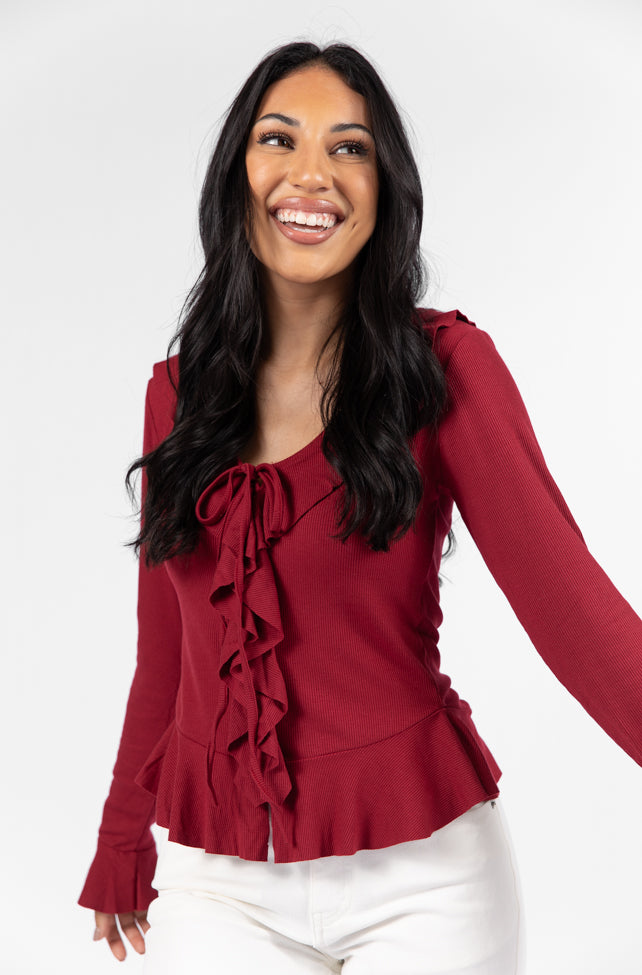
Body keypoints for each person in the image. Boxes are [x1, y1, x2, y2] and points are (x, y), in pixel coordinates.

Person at [78, 41, 642, 974]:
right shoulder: (175, 394)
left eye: (350, 148)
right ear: (236, 173)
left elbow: (571, 610)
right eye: (279, 139)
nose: (312, 174)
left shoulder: (447, 370)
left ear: (385, 192)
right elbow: (167, 655)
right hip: (219, 884)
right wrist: (122, 834)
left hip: (425, 876)